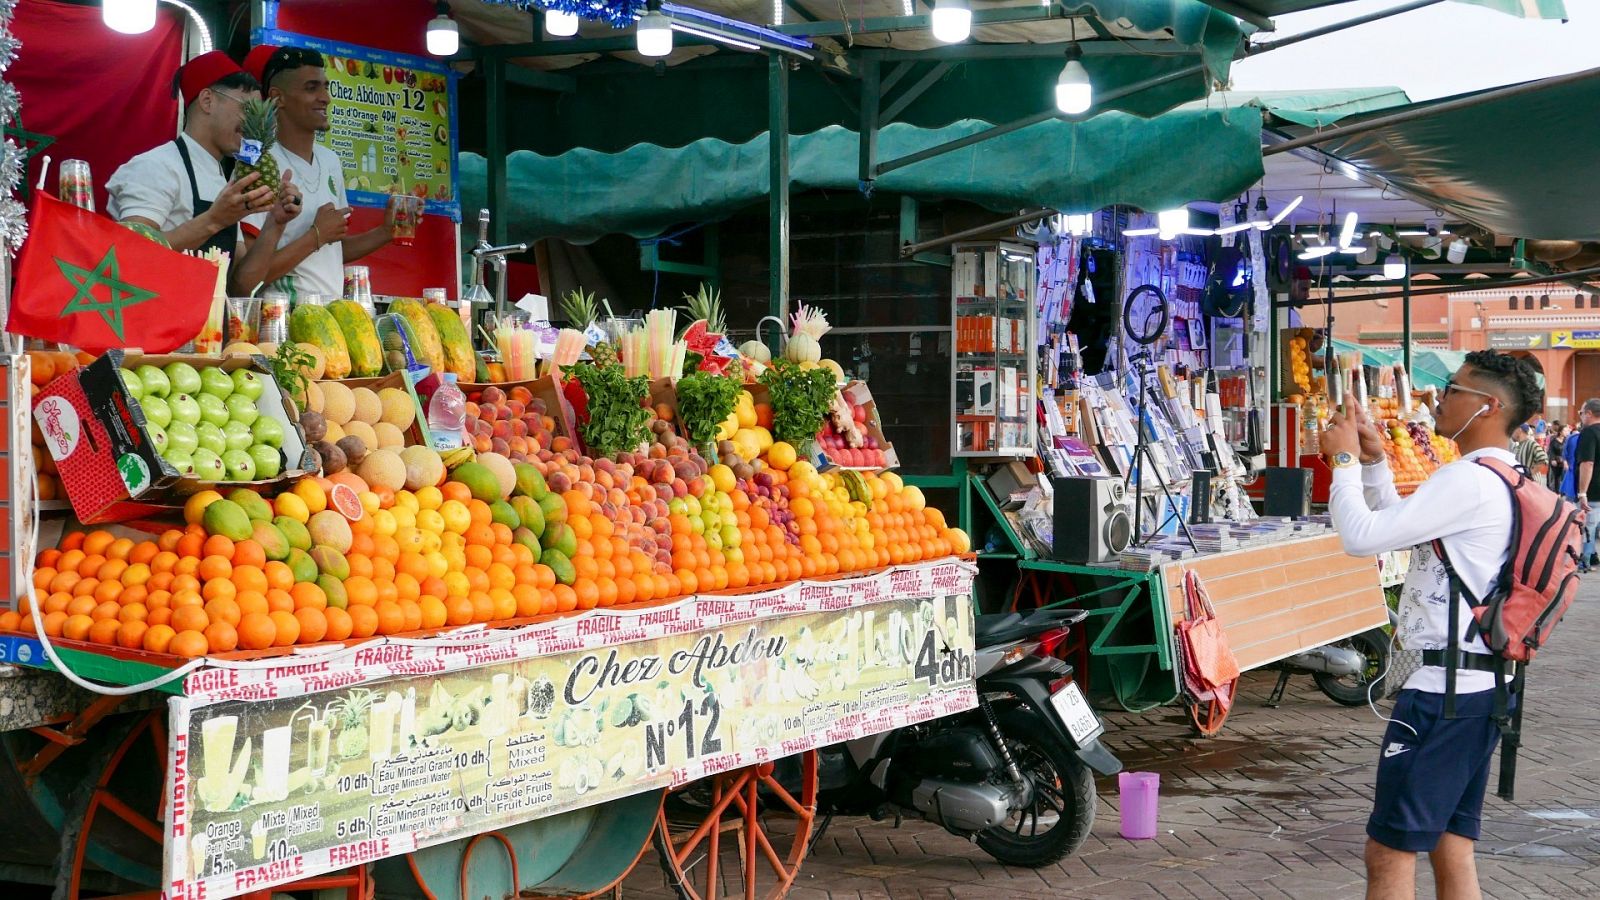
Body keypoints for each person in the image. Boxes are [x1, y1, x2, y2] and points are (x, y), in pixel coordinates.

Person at [1321, 350, 1544, 900]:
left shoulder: (1468, 480)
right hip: (1482, 689)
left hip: (1444, 697)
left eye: (1453, 388)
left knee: (1390, 850)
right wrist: (1374, 465)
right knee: (1450, 839)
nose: (1439, 397)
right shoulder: (1502, 475)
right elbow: (1402, 527)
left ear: (1488, 406)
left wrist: (1344, 464)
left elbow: (1362, 538)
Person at [106, 50, 300, 296]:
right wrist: (215, 220)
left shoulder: (223, 178)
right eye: (247, 108)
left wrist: (275, 224)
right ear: (208, 101)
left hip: (211, 330)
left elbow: (240, 285)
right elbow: (130, 254)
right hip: (156, 328)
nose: (252, 124)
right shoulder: (156, 166)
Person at [237, 45, 394, 301]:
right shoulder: (258, 162)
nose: (325, 97)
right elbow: (248, 279)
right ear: (278, 98)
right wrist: (315, 236)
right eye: (311, 88)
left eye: (326, 87)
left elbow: (330, 252)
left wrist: (386, 232)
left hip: (330, 318)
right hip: (282, 320)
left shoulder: (330, 159)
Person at [1571, 399, 1600, 571]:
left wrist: (1582, 492)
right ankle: (1593, 556)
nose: (1580, 416)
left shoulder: (1589, 433)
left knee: (1588, 525)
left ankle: (1585, 560)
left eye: (1581, 413)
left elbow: (1587, 463)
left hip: (1594, 488)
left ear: (1589, 413)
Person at [1545, 422, 1566, 491]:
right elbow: (1551, 451)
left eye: (1567, 430)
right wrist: (1552, 460)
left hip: (1565, 461)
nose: (1566, 432)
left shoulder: (1567, 440)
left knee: (1564, 477)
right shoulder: (1554, 441)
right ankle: (1557, 492)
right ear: (1560, 432)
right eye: (1565, 430)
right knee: (1557, 478)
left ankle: (1563, 492)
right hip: (1557, 462)